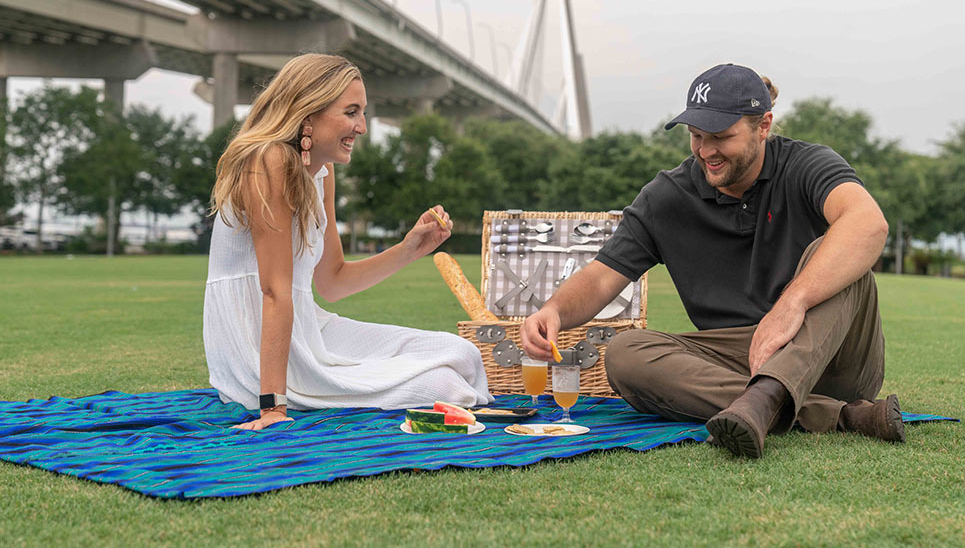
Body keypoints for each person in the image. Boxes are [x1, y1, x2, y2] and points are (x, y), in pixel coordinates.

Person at [521, 63, 902, 458]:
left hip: (833, 355)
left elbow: (868, 223)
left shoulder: (807, 164)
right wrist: (554, 312)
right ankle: (833, 416)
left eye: (720, 137)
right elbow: (602, 277)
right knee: (625, 353)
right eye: (696, 136)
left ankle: (771, 401)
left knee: (836, 252)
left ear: (764, 126)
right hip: (739, 359)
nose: (706, 151)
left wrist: (793, 303)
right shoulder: (666, 196)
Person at [204, 53, 491, 430]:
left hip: (307, 327)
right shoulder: (267, 160)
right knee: (444, 386)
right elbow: (274, 291)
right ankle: (297, 390)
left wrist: (409, 249)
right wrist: (272, 407)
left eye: (364, 113)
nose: (362, 127)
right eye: (351, 112)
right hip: (256, 342)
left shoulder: (320, 172)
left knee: (463, 354)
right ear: (308, 114)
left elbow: (333, 282)